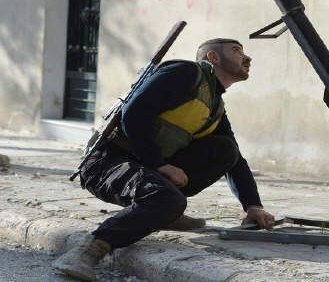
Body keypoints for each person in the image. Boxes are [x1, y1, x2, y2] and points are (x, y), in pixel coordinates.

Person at [54, 38, 275, 281]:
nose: (247, 58)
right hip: (105, 162)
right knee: (168, 200)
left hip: (143, 165)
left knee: (226, 149)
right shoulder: (184, 73)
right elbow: (133, 114)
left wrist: (253, 205)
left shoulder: (214, 104)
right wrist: (161, 165)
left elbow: (235, 160)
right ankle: (88, 250)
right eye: (237, 51)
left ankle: (162, 210)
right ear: (213, 57)